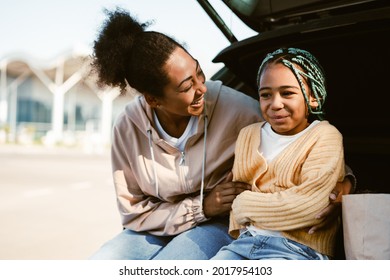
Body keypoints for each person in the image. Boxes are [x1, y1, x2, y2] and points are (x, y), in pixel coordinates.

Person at [89, 8, 353, 260]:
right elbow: (133, 212)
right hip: (155, 229)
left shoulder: (236, 109)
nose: (202, 88)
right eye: (186, 86)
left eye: (199, 73)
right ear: (154, 100)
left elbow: (301, 142)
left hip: (217, 226)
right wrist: (201, 207)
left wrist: (346, 183)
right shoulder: (127, 129)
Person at [211, 48, 346, 260]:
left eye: (287, 93)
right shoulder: (247, 135)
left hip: (299, 249)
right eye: (266, 94)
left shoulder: (325, 135)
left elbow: (311, 206)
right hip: (244, 242)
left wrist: (244, 204)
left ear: (312, 97)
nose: (275, 104)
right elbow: (238, 205)